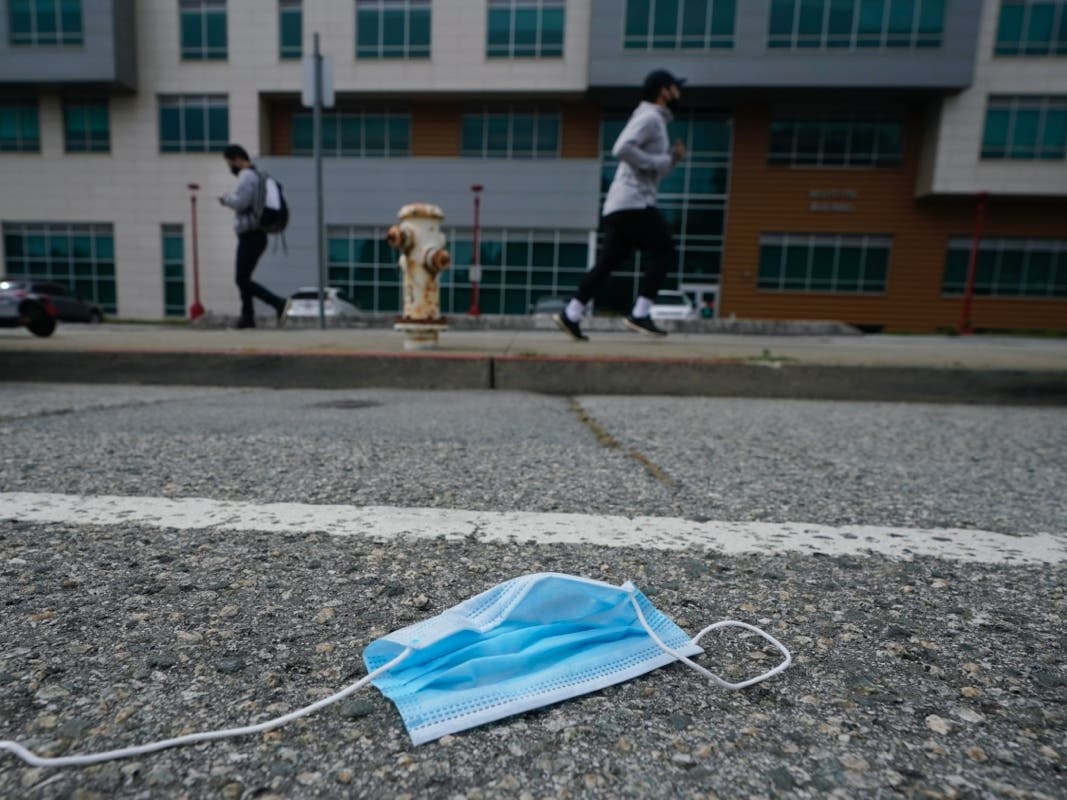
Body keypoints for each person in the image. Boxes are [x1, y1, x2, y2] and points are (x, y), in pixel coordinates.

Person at [555, 69, 686, 341]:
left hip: (623, 204)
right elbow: (621, 148)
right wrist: (663, 161)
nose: (679, 93)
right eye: (675, 88)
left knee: (607, 263)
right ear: (664, 90)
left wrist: (671, 159)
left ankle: (571, 313)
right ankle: (640, 313)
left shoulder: (653, 119)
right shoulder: (650, 117)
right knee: (664, 250)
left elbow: (650, 166)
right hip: (633, 202)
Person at [218, 144, 288, 329]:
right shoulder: (257, 175)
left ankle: (278, 303)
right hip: (256, 235)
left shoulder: (247, 176)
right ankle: (247, 318)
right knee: (244, 278)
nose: (230, 167)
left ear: (238, 159)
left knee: (241, 279)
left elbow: (241, 202)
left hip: (251, 235)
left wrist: (226, 199)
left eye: (230, 163)